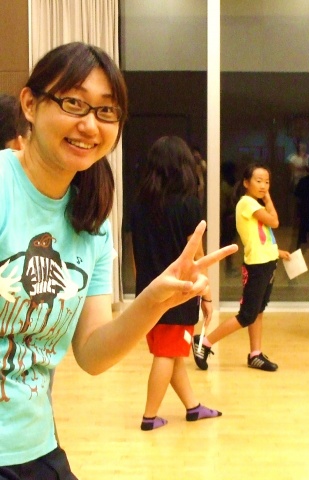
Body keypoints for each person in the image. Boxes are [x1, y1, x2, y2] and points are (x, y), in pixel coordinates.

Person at [0, 42, 236, 478]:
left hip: (34, 444)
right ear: (30, 105)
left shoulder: (90, 218)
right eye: (74, 103)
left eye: (106, 111)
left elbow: (92, 354)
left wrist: (154, 301)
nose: (90, 124)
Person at [130, 136, 223, 431]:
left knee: (173, 352)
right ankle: (149, 416)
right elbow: (197, 255)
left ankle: (193, 407)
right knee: (167, 353)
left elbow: (136, 254)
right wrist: (206, 294)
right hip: (179, 293)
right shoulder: (188, 204)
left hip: (149, 291)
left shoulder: (139, 205)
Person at [192, 163, 290, 372]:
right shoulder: (247, 203)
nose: (263, 186)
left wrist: (277, 252)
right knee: (247, 315)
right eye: (259, 181)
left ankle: (255, 354)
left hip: (267, 262)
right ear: (246, 183)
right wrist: (268, 198)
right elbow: (274, 222)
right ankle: (205, 342)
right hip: (257, 266)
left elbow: (261, 237)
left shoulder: (254, 205)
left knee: (258, 310)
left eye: (267, 182)